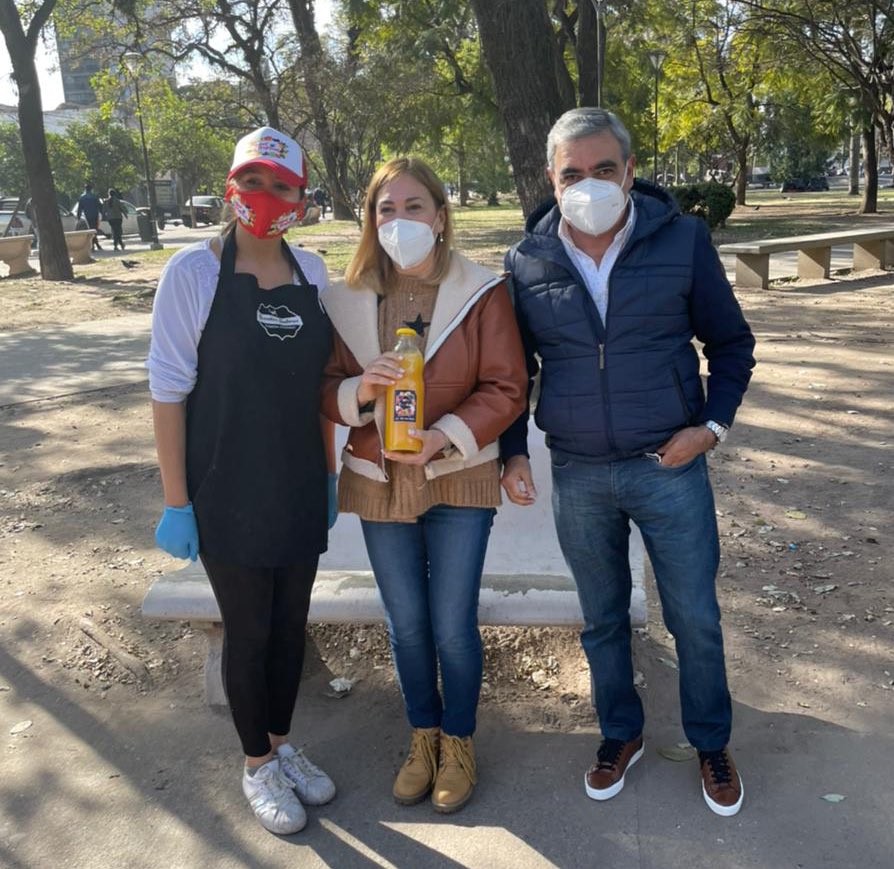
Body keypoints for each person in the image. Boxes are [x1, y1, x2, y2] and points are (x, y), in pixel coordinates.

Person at [500, 108, 756, 818]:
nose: (589, 184)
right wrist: (514, 449)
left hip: (668, 466)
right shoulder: (527, 260)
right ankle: (621, 732)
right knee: (603, 618)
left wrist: (710, 428)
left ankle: (711, 741)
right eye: (572, 173)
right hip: (579, 473)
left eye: (604, 169)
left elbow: (732, 344)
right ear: (552, 180)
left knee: (694, 616)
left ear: (630, 171)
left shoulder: (683, 240)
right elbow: (514, 372)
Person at [147, 126, 339, 836]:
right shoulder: (192, 274)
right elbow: (168, 390)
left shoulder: (314, 275)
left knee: (290, 626)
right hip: (224, 488)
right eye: (252, 181)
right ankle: (256, 764)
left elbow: (324, 387)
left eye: (281, 185)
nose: (265, 196)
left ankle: (283, 746)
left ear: (301, 199)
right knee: (249, 629)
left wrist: (328, 475)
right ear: (231, 187)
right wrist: (177, 502)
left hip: (297, 483)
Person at [321, 157, 527, 813]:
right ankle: (423, 736)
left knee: (452, 625)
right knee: (407, 625)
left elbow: (507, 385)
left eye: (414, 207)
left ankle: (459, 740)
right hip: (379, 480)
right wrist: (361, 390)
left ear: (440, 217)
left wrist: (447, 436)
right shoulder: (345, 299)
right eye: (387, 208)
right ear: (370, 220)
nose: (400, 220)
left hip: (457, 477)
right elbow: (325, 388)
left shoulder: (481, 291)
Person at [76, 183, 103, 250]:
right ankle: (94, 245)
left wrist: (78, 217)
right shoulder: (94, 196)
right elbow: (99, 206)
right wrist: (102, 213)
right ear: (91, 189)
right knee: (94, 229)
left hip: (87, 215)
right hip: (95, 215)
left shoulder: (82, 197)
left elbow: (80, 208)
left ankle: (94, 245)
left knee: (91, 229)